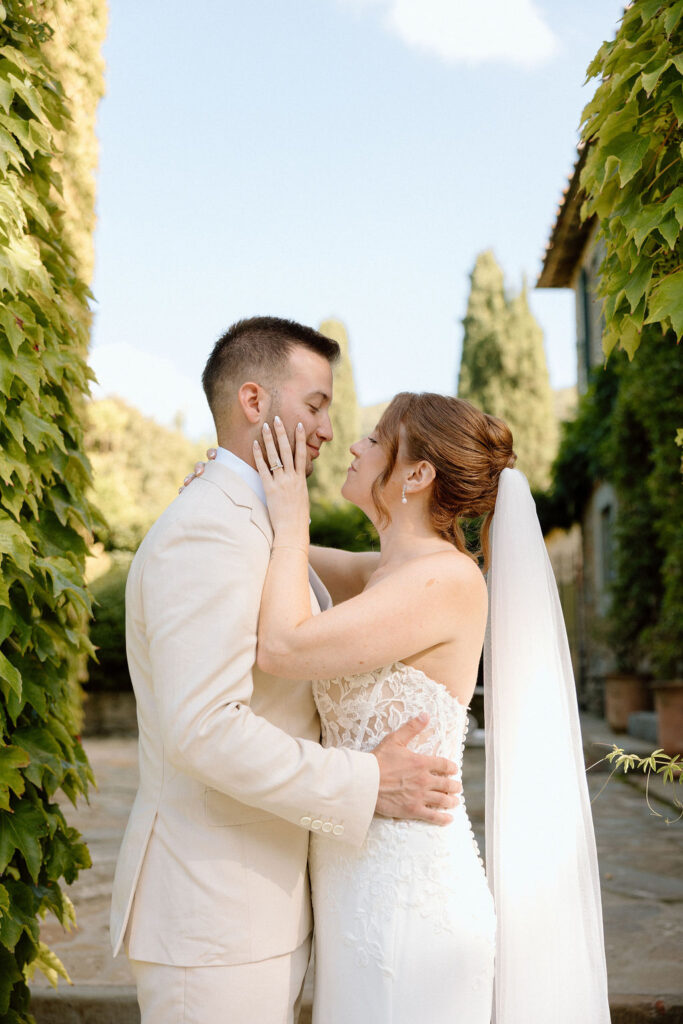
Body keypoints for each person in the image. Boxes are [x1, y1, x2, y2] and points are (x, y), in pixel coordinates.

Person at [109, 318, 462, 1024]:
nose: (330, 429)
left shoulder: (255, 519)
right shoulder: (209, 528)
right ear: (252, 402)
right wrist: (368, 781)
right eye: (315, 405)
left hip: (263, 907)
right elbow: (202, 730)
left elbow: (385, 580)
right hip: (214, 915)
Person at [238, 391, 611, 1023]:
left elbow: (281, 645)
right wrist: (231, 497)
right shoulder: (382, 574)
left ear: (417, 474)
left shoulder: (446, 581)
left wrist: (292, 514)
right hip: (354, 894)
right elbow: (263, 558)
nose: (354, 446)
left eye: (377, 439)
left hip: (410, 906)